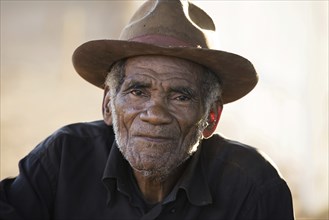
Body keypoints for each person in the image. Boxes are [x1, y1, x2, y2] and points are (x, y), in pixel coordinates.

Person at [0, 0, 294, 219]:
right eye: (138, 92)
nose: (154, 114)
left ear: (211, 118)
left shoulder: (252, 189)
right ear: (107, 105)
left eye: (180, 97)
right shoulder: (63, 159)